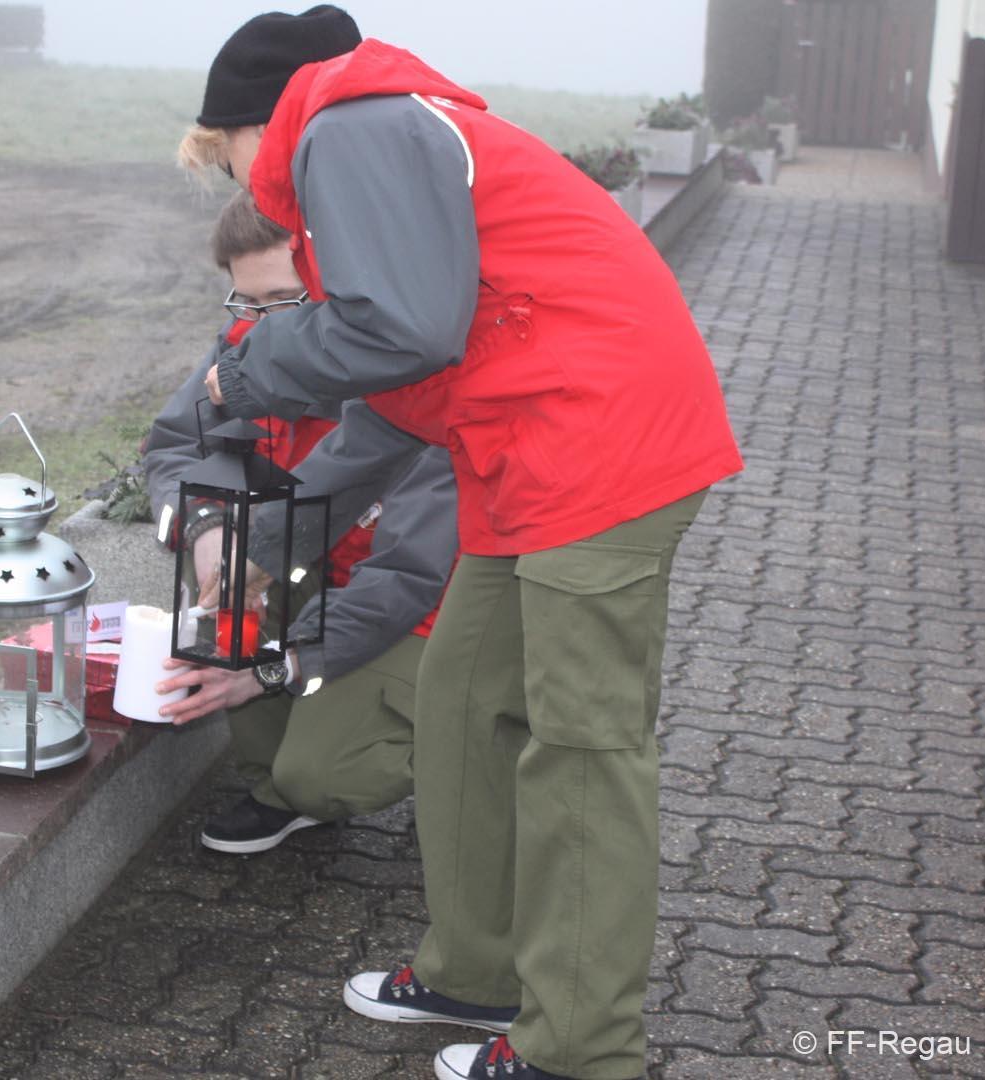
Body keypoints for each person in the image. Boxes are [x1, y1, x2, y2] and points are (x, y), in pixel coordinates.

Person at [178, 7, 744, 1080]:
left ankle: (580, 1048)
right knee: (463, 700)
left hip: (599, 445)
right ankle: (479, 971)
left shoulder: (349, 127)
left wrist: (244, 368)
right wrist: (265, 538)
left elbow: (401, 329)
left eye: (225, 157)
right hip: (530, 453)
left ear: (255, 125)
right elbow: (399, 399)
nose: (239, 183)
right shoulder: (378, 134)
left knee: (583, 748)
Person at [143, 189, 458, 856]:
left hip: (419, 611)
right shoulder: (244, 347)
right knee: (225, 581)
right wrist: (207, 530)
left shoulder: (417, 376)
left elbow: (406, 577)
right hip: (309, 576)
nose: (265, 330)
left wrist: (276, 669)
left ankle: (478, 737)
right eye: (250, 304)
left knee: (323, 775)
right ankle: (274, 786)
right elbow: (172, 448)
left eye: (287, 302)